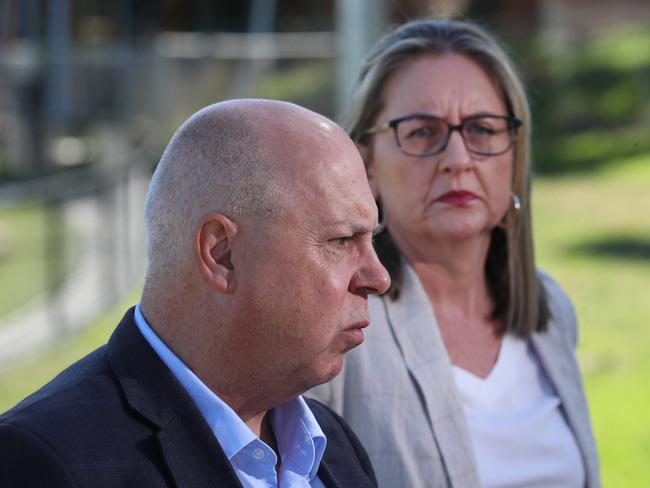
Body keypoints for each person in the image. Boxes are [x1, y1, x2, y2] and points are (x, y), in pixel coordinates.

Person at [0, 99, 391, 487]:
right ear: (222, 255)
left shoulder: (333, 446)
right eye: (341, 240)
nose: (378, 277)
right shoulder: (46, 461)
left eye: (370, 239)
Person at [308, 18, 600, 488]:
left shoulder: (550, 310)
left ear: (515, 154)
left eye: (483, 129)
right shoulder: (335, 325)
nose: (458, 158)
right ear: (367, 165)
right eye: (422, 131)